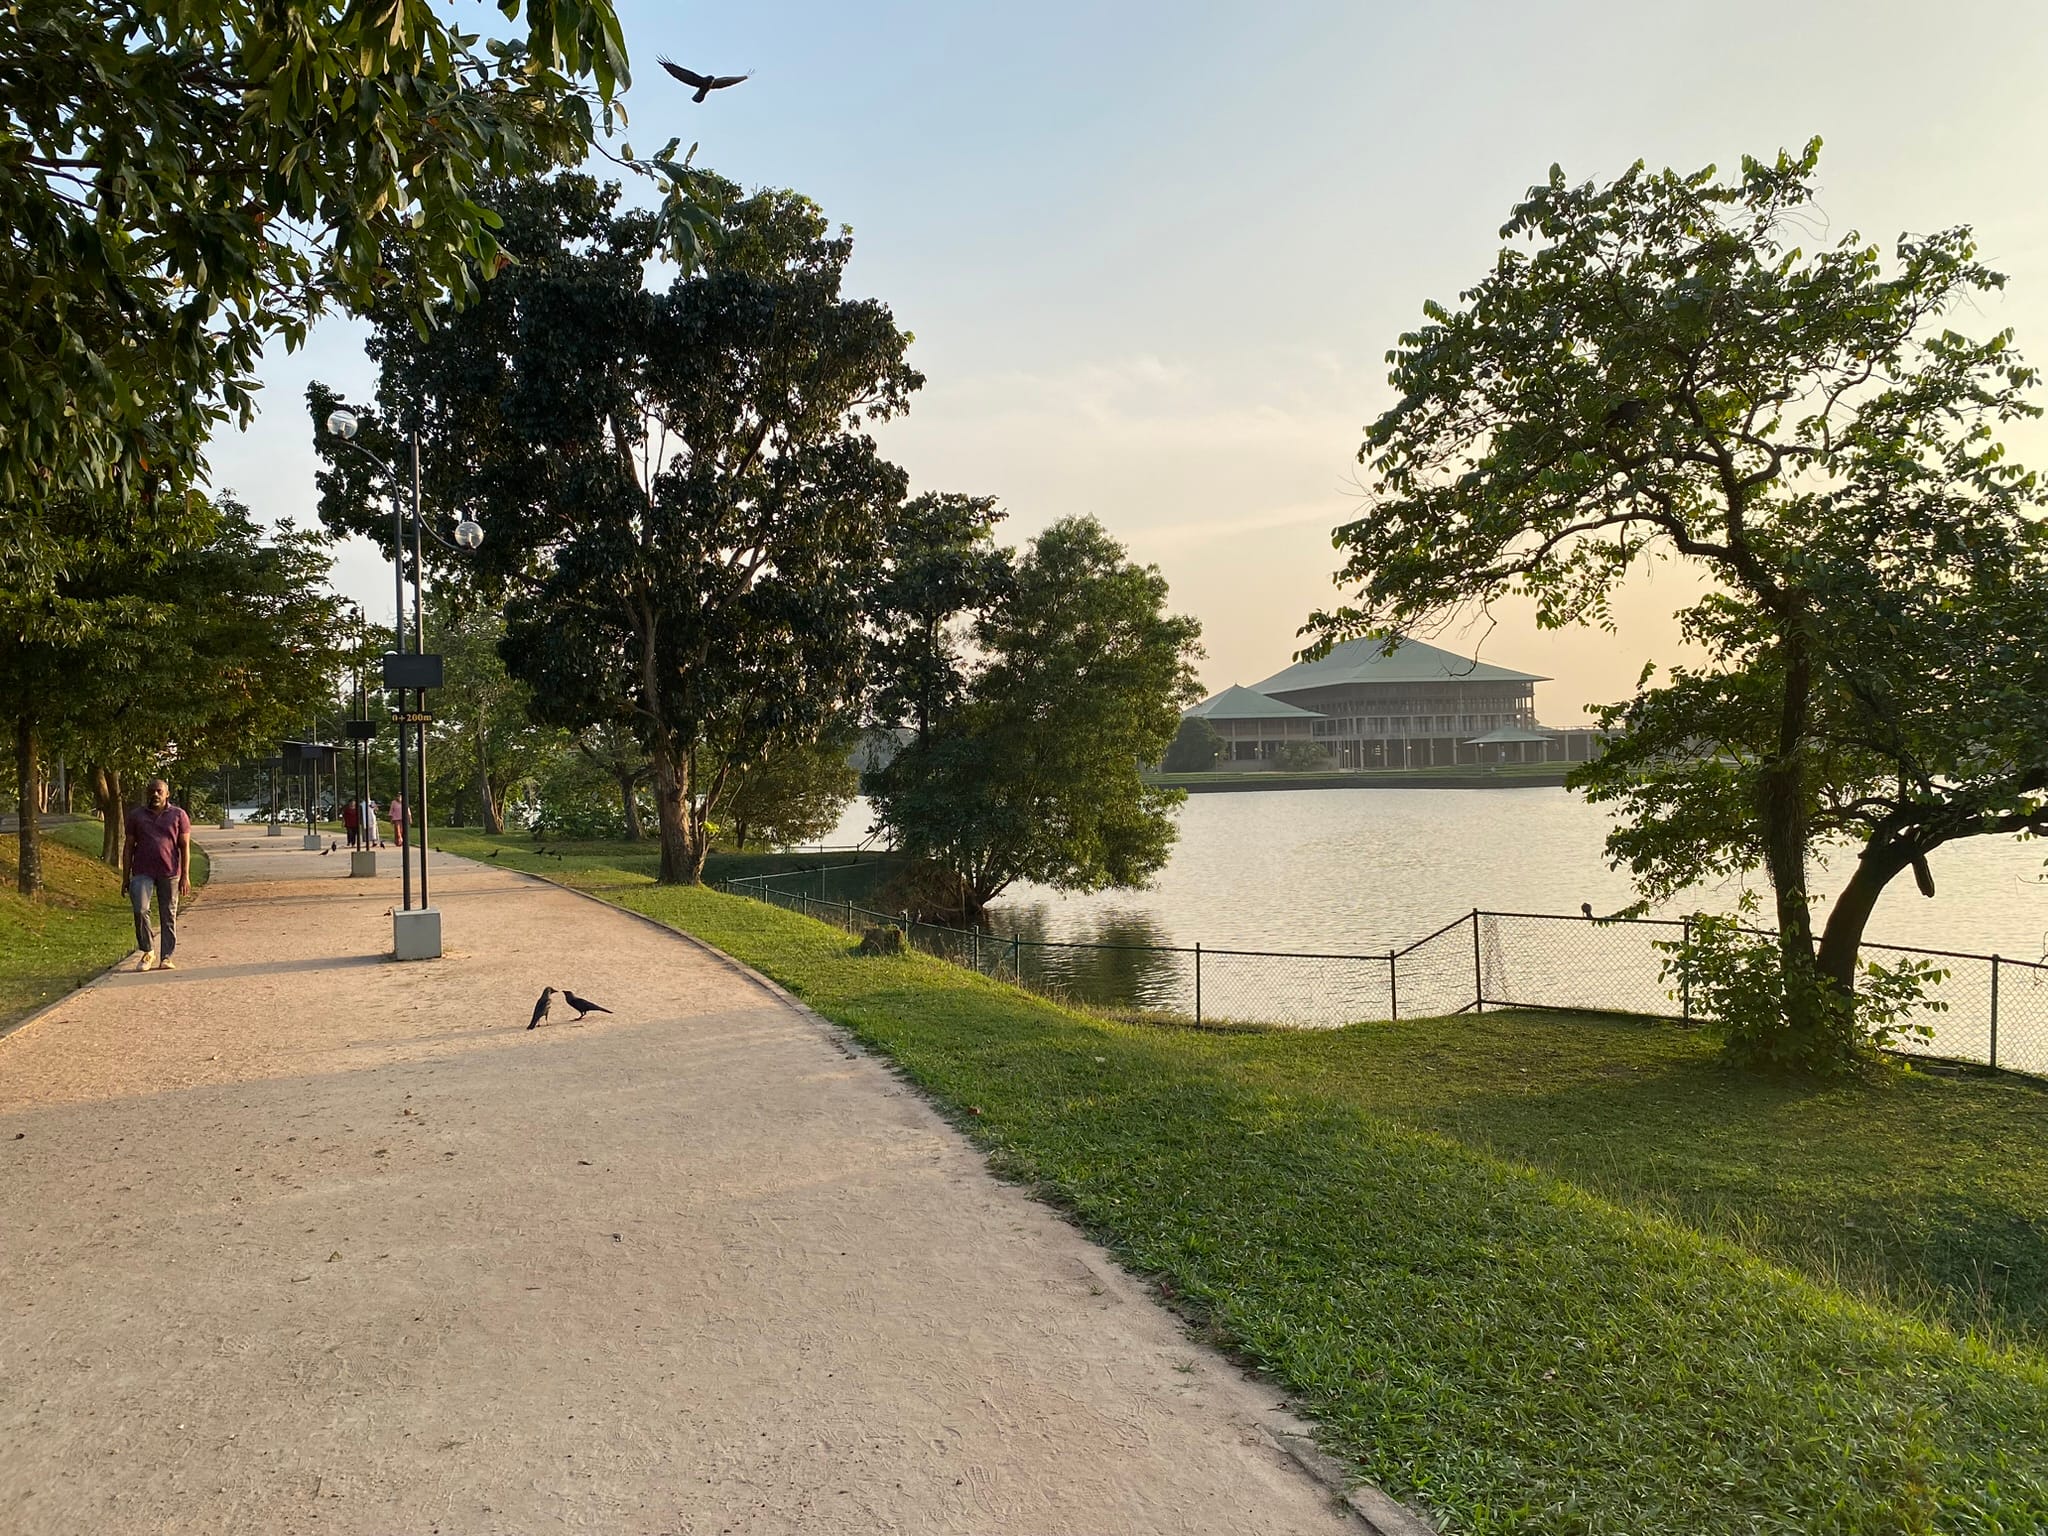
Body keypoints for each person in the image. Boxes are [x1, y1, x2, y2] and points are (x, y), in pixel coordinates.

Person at [123, 778, 192, 972]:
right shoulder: (136, 816)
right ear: (147, 794)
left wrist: (185, 875)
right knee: (140, 909)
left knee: (168, 914)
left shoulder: (178, 815)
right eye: (152, 791)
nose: (155, 794)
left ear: (167, 794)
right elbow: (128, 846)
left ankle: (167, 957)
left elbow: (184, 846)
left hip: (169, 872)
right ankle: (148, 950)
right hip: (142, 870)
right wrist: (125, 877)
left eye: (159, 791)